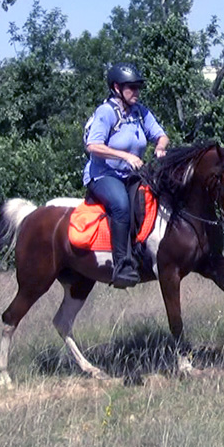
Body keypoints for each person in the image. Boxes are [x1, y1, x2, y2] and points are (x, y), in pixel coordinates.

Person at [83, 62, 169, 288]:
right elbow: (93, 145)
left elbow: (161, 135)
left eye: (138, 87)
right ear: (116, 88)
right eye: (131, 87)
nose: (136, 92)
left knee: (152, 198)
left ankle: (144, 253)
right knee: (121, 205)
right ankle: (122, 266)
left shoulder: (141, 113)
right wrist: (126, 156)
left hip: (132, 175)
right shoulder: (106, 112)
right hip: (103, 175)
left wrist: (160, 146)